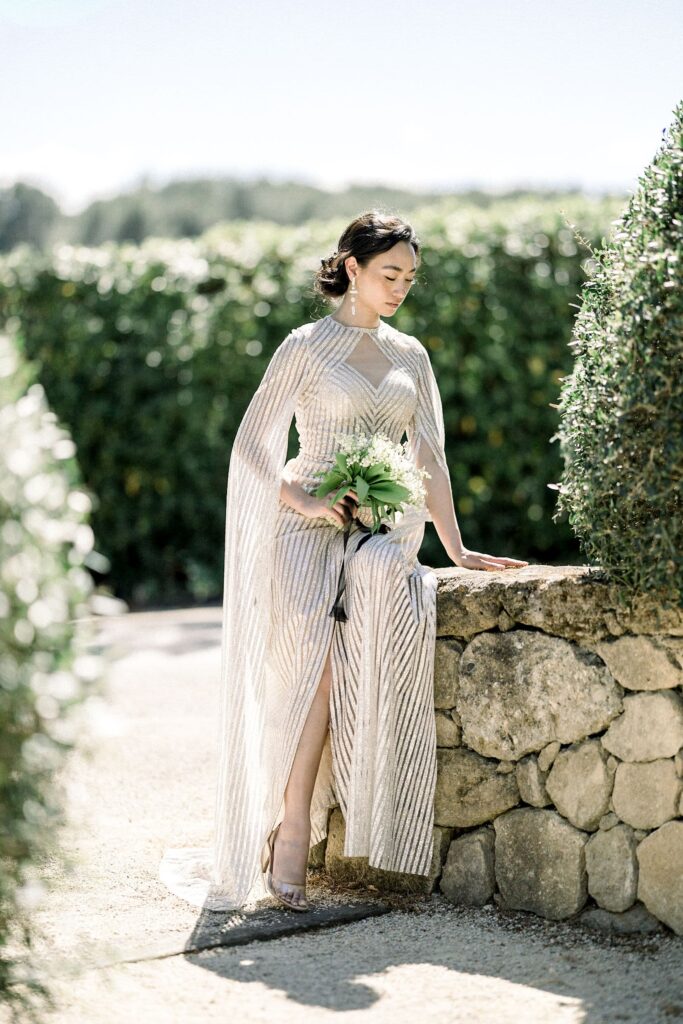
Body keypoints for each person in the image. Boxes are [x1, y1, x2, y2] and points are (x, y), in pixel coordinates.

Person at [158, 210, 528, 913]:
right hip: (302, 526)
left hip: (382, 528)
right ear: (351, 268)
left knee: (345, 656)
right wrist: (301, 500)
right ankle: (280, 823)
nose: (400, 289)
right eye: (389, 274)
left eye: (410, 279)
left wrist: (455, 547)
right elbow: (252, 449)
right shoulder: (304, 345)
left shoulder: (410, 355)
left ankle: (312, 825)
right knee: (305, 668)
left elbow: (428, 457)